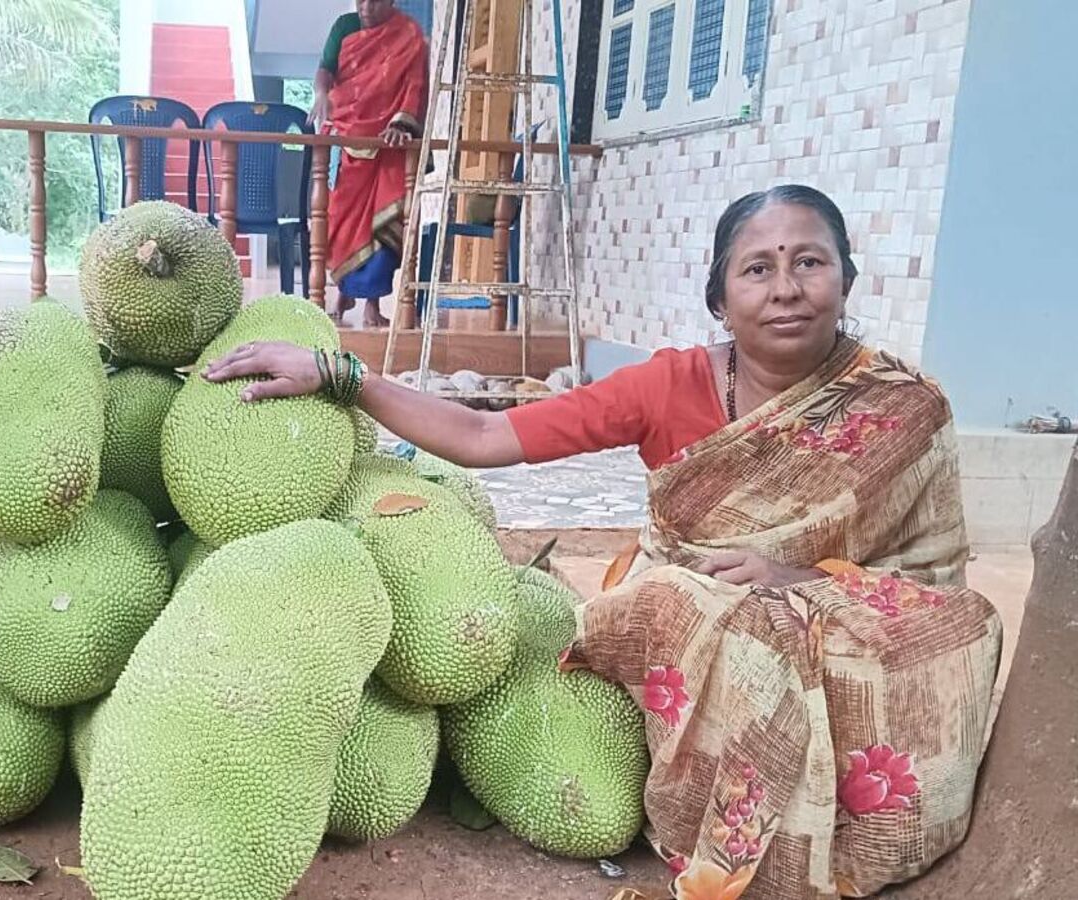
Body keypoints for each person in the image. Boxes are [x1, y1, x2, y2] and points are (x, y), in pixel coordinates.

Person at [204, 185, 1003, 899]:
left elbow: (929, 583)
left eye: (809, 262)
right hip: (682, 612)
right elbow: (486, 435)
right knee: (683, 602)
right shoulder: (668, 383)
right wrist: (340, 373)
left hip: (833, 622)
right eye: (757, 269)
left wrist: (795, 576)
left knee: (962, 626)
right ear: (721, 299)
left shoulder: (902, 409)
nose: (786, 287)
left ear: (847, 281)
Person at [309, 0, 428, 327]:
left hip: (388, 143)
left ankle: (372, 305)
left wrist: (401, 124)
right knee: (341, 222)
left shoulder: (408, 34)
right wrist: (321, 93)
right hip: (348, 137)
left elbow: (415, 86)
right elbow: (325, 69)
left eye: (375, 0)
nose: (366, 6)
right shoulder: (344, 26)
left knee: (384, 223)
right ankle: (343, 293)